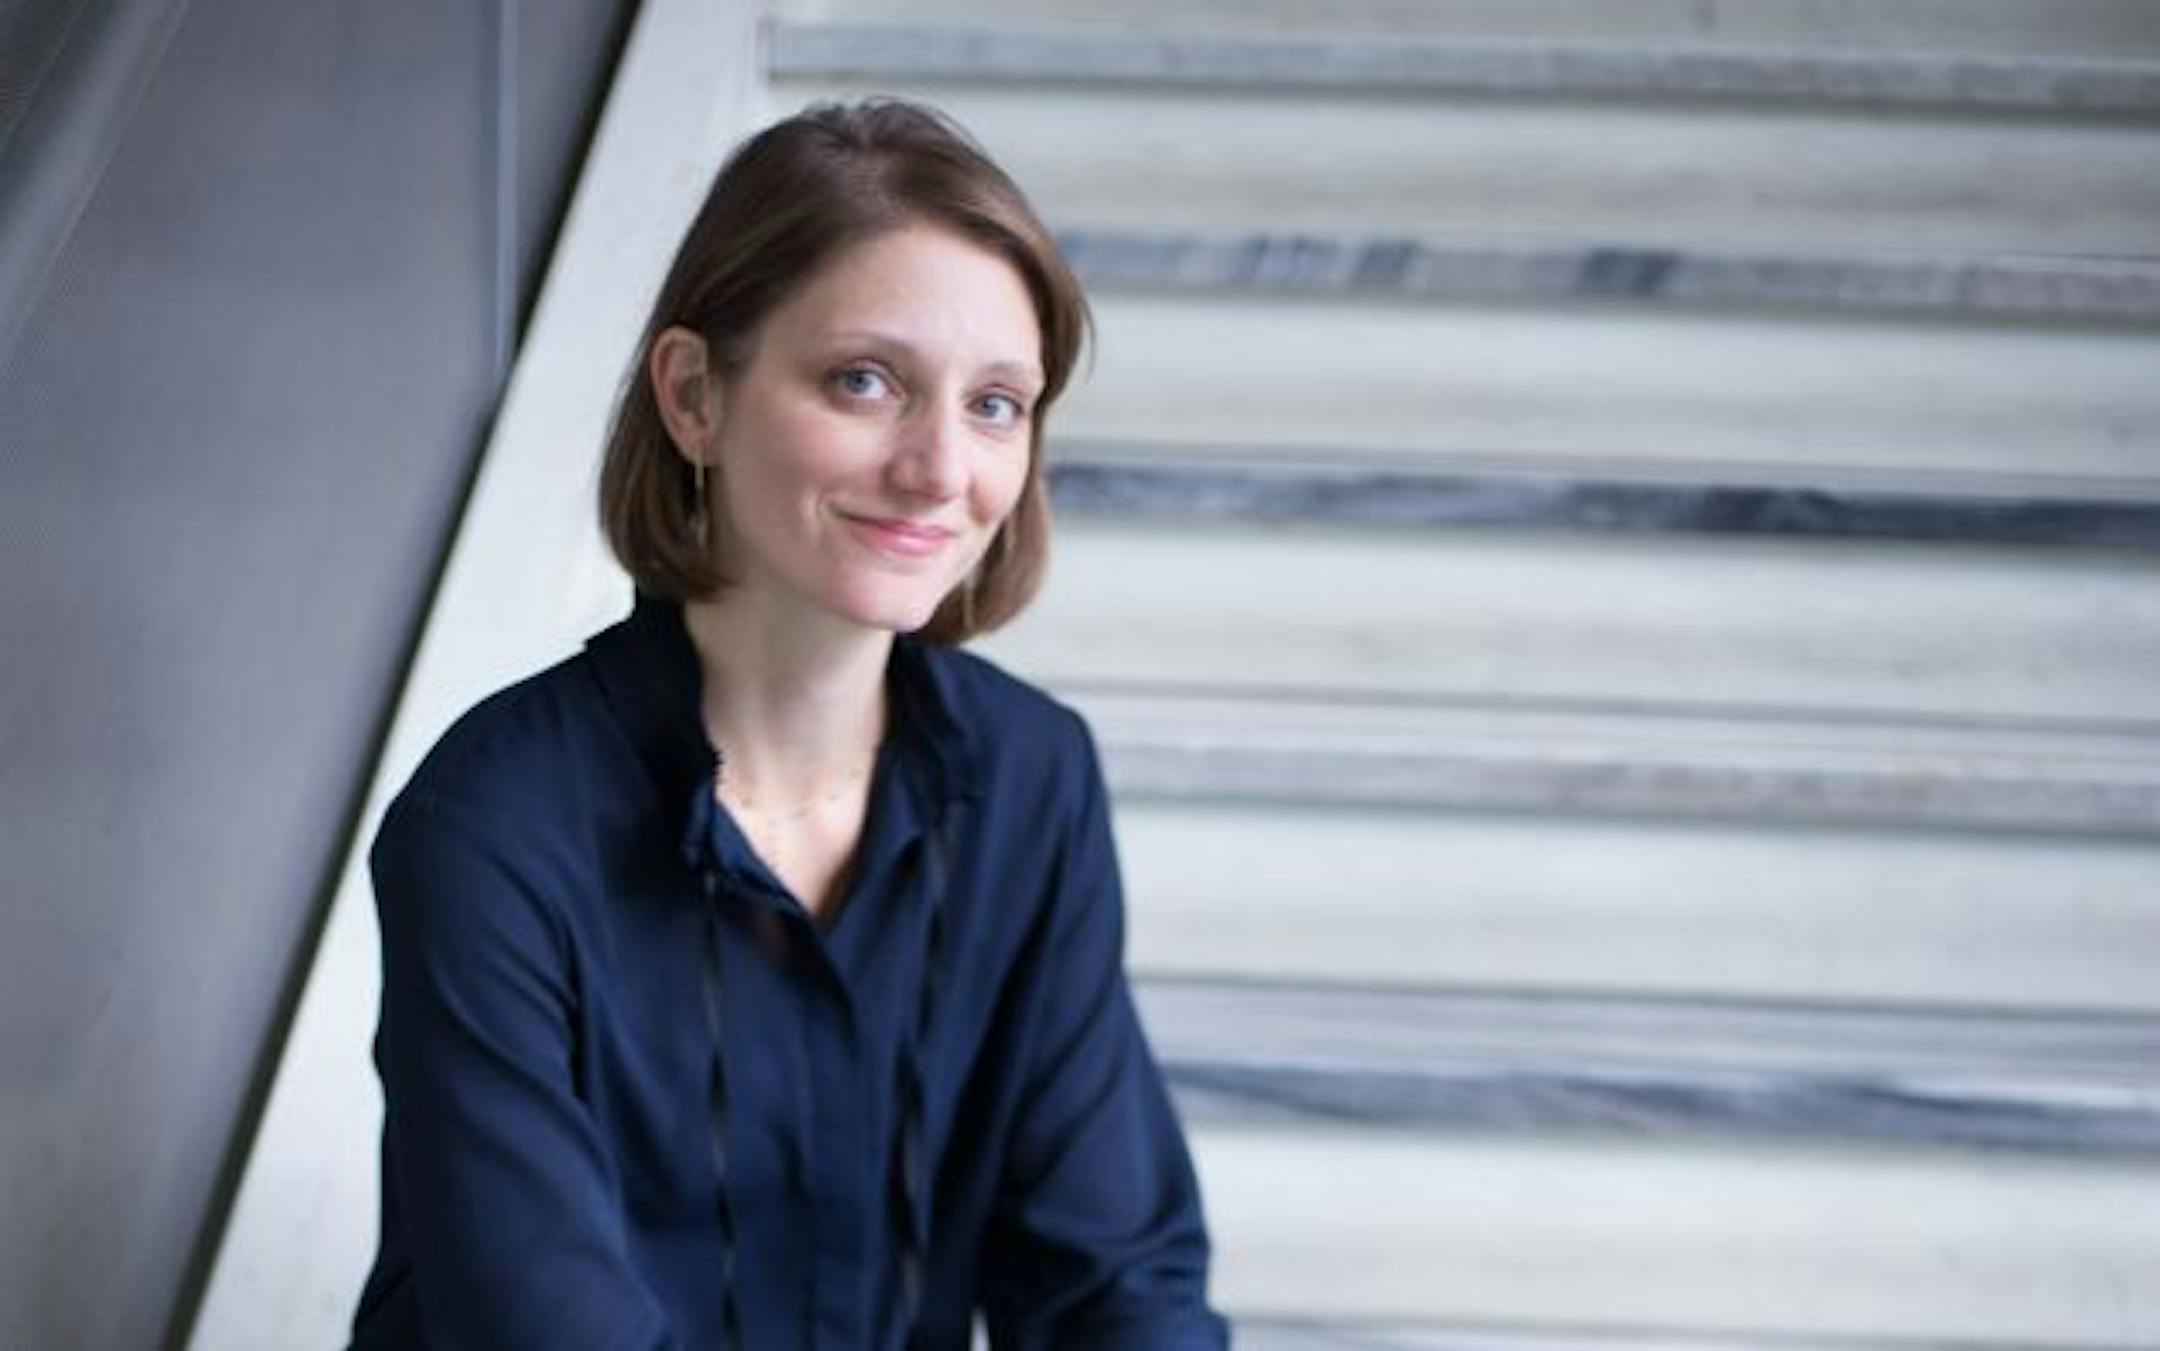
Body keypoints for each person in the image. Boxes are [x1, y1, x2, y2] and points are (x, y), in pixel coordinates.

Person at [349, 100, 1227, 1349]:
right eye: (865, 381)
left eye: (996, 404)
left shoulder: (1033, 781)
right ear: (694, 396)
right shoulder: (492, 824)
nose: (940, 469)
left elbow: (1115, 1282)